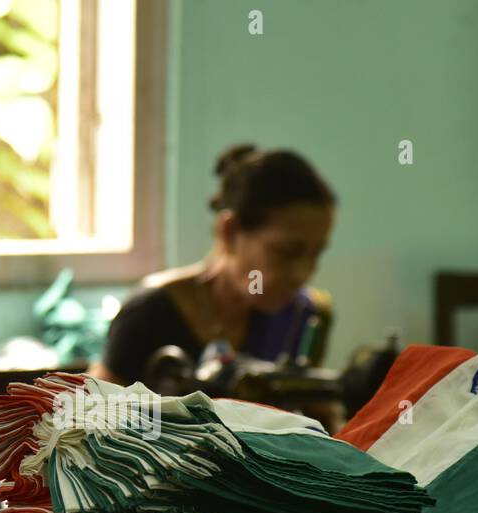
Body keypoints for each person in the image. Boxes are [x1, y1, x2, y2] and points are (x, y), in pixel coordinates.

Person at [91, 144, 337, 387]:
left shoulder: (303, 319)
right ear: (229, 232)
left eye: (316, 254)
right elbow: (96, 413)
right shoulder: (149, 314)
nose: (302, 274)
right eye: (284, 253)